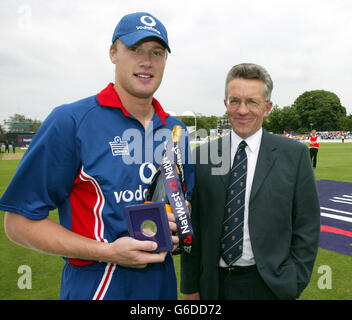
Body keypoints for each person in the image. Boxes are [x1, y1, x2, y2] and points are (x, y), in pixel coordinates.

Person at [0, 12, 194, 300]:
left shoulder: (175, 130)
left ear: (165, 60)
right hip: (97, 287)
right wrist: (108, 252)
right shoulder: (71, 121)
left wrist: (181, 217)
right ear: (113, 53)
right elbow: (18, 224)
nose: (146, 61)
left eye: (156, 52)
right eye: (134, 49)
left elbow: (184, 202)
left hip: (161, 287)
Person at [181, 63, 321, 300]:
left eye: (252, 102)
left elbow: (307, 225)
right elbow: (192, 228)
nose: (242, 110)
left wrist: (293, 281)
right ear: (226, 104)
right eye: (235, 101)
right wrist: (190, 287)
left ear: (267, 108)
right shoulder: (202, 157)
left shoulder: (295, 155)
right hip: (212, 287)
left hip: (270, 287)